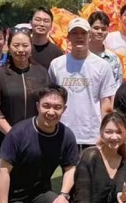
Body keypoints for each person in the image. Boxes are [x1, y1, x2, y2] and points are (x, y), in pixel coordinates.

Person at [48, 17, 118, 150]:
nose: (79, 37)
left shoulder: (102, 66)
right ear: (68, 37)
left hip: (92, 136)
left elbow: (106, 104)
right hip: (62, 133)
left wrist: (104, 133)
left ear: (90, 36)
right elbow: (51, 99)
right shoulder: (56, 65)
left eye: (83, 33)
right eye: (74, 33)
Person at [0, 28, 50, 153]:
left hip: (35, 138)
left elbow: (47, 103)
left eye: (25, 45)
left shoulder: (41, 73)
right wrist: (13, 134)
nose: (21, 50)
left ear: (31, 47)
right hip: (4, 139)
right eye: (16, 45)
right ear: (9, 47)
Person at [87, 10, 123, 87]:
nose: (100, 32)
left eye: (103, 29)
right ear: (89, 29)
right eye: (96, 28)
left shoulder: (113, 59)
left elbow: (117, 85)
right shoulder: (79, 55)